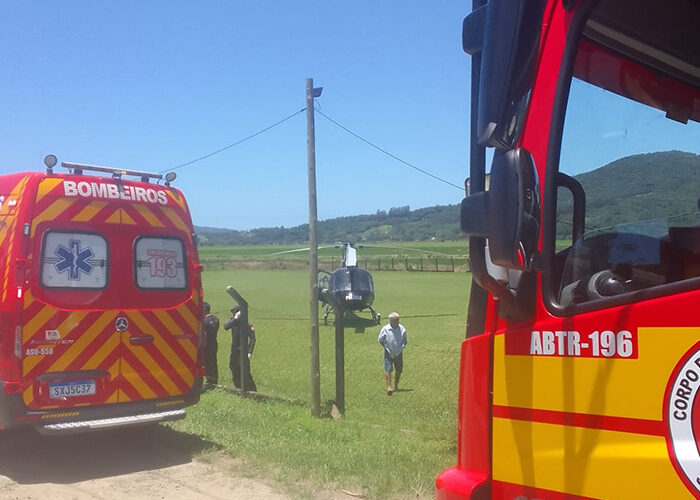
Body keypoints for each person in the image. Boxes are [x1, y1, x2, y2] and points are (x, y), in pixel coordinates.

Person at [223, 305, 257, 392]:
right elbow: (225, 326)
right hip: (234, 350)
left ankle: (252, 390)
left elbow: (253, 338)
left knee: (244, 370)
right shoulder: (233, 323)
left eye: (235, 313)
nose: (233, 315)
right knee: (233, 367)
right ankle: (238, 387)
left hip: (243, 351)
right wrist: (235, 319)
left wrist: (249, 351)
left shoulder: (247, 324)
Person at [378, 312, 408, 395]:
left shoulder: (402, 329)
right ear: (391, 321)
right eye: (396, 320)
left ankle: (396, 386)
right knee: (388, 369)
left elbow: (405, 340)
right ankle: (389, 387)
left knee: (399, 369)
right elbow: (380, 340)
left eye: (398, 320)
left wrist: (401, 348)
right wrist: (386, 348)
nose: (398, 321)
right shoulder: (385, 329)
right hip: (389, 352)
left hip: (399, 352)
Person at [202, 301, 219, 386]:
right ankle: (214, 380)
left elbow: (204, 334)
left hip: (206, 344)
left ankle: (209, 380)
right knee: (213, 361)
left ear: (204, 309)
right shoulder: (215, 318)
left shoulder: (204, 321)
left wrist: (202, 346)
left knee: (205, 362)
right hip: (214, 343)